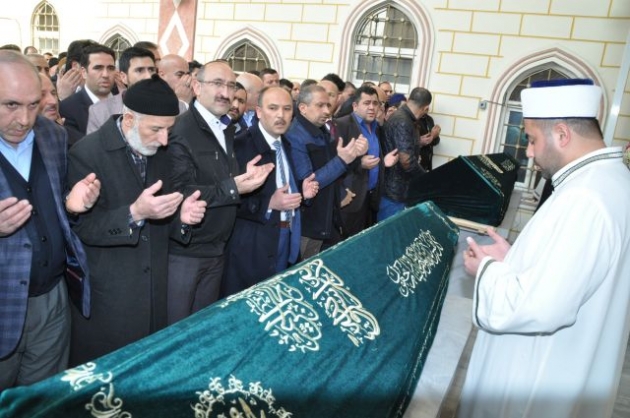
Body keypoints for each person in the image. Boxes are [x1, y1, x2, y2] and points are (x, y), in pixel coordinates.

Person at [458, 79, 630, 418]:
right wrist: (514, 259)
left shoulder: (584, 198)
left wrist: (486, 270)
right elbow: (568, 272)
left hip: (535, 383)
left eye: (532, 139)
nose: (529, 152)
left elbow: (540, 307)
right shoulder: (612, 181)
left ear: (562, 134)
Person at [67, 74, 207, 365]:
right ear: (129, 120)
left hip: (154, 293)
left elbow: (161, 216)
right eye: (156, 129)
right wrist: (134, 213)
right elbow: (81, 229)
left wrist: (181, 217)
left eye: (169, 129)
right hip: (109, 298)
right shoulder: (86, 154)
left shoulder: (160, 152)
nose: (164, 139)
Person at [0, 51, 100, 389]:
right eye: (11, 105)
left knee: (41, 401)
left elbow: (56, 204)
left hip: (53, 301)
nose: (24, 118)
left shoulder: (53, 136)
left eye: (33, 104)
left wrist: (73, 205)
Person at [167, 60, 273, 325]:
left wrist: (243, 178)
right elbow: (180, 192)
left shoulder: (225, 128)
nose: (225, 93)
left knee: (202, 330)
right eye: (217, 84)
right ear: (196, 86)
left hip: (217, 249)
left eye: (230, 85)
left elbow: (218, 179)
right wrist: (235, 186)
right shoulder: (180, 130)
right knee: (176, 331)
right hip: (186, 253)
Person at [222, 86, 319, 297]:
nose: (280, 115)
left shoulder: (287, 144)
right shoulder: (240, 146)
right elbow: (227, 198)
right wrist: (269, 204)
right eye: (273, 108)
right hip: (252, 248)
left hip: (287, 239)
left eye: (286, 109)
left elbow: (283, 189)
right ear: (258, 111)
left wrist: (301, 192)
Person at [285, 84, 367, 259]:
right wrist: (343, 160)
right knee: (303, 268)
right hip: (308, 223)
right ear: (303, 108)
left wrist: (354, 155)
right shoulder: (295, 136)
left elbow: (336, 168)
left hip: (326, 217)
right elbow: (309, 182)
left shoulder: (322, 130)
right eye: (320, 105)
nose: (327, 111)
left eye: (328, 105)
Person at [336, 85, 398, 238]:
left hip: (371, 200)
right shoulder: (341, 125)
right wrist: (359, 163)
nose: (372, 107)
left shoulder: (376, 128)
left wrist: (383, 162)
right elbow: (332, 163)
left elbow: (373, 159)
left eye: (375, 103)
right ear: (355, 106)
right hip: (349, 201)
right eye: (366, 103)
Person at [379, 87, 432, 221]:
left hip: (395, 190)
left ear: (409, 100)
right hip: (394, 193)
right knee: (391, 231)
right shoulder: (403, 121)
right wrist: (427, 179)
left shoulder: (403, 117)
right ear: (426, 108)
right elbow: (407, 161)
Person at [86, 46, 158, 134]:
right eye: (139, 70)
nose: (149, 76)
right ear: (123, 77)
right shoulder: (99, 111)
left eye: (151, 70)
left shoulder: (172, 108)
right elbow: (93, 143)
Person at [60, 44, 116, 145]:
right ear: (84, 72)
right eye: (98, 68)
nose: (105, 74)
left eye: (111, 68)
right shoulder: (68, 108)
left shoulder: (126, 103)